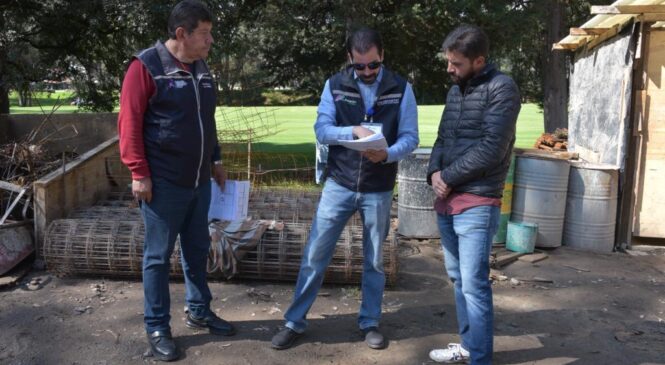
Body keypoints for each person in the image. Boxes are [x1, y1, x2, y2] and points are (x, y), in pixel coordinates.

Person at [271, 27, 419, 351]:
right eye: (360, 66)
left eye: (373, 65)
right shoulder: (335, 85)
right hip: (339, 184)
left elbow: (411, 137)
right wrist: (351, 130)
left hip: (378, 188)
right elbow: (322, 131)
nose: (367, 72)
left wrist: (388, 154)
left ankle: (369, 323)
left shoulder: (401, 88)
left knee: (375, 260)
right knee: (315, 255)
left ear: (382, 56)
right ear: (349, 60)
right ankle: (294, 322)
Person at [117, 0, 235, 361]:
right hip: (163, 183)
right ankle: (157, 326)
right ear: (181, 34)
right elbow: (129, 124)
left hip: (199, 181)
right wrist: (139, 173)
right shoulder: (145, 68)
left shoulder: (201, 67)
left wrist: (215, 159)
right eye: (205, 33)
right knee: (157, 257)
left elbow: (207, 120)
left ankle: (199, 310)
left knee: (197, 248)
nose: (210, 40)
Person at [426, 25, 520, 364]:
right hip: (447, 200)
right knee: (457, 278)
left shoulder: (502, 88)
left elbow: (492, 149)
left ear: (479, 61)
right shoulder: (455, 91)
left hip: (477, 201)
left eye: (457, 63)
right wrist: (433, 173)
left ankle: (480, 358)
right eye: (449, 62)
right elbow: (441, 138)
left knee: (475, 284)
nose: (449, 69)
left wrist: (447, 176)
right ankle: (468, 347)